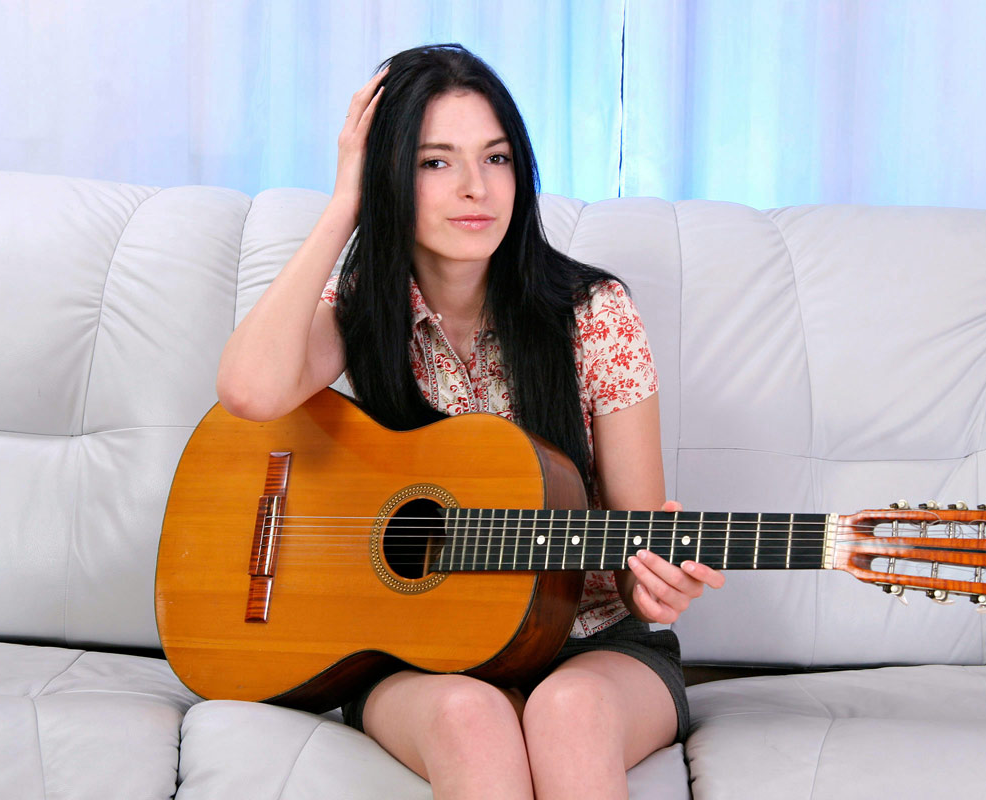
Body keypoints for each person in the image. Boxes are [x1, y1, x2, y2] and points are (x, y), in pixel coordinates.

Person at [215, 43, 724, 800]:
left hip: (590, 644)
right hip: (416, 650)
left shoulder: (595, 314)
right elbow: (249, 392)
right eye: (435, 162)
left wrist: (652, 583)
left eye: (496, 158)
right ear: (391, 176)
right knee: (469, 718)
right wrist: (346, 203)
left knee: (569, 713)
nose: (475, 188)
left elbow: (635, 543)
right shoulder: (366, 309)